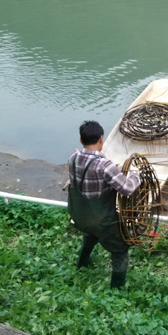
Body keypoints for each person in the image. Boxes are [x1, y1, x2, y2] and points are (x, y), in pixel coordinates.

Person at [67, 120, 141, 288]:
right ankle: (117, 287)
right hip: (101, 220)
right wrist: (136, 175)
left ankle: (82, 263)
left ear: (81, 140)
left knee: (90, 233)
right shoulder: (104, 165)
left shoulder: (73, 157)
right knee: (120, 249)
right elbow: (127, 189)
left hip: (79, 214)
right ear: (101, 139)